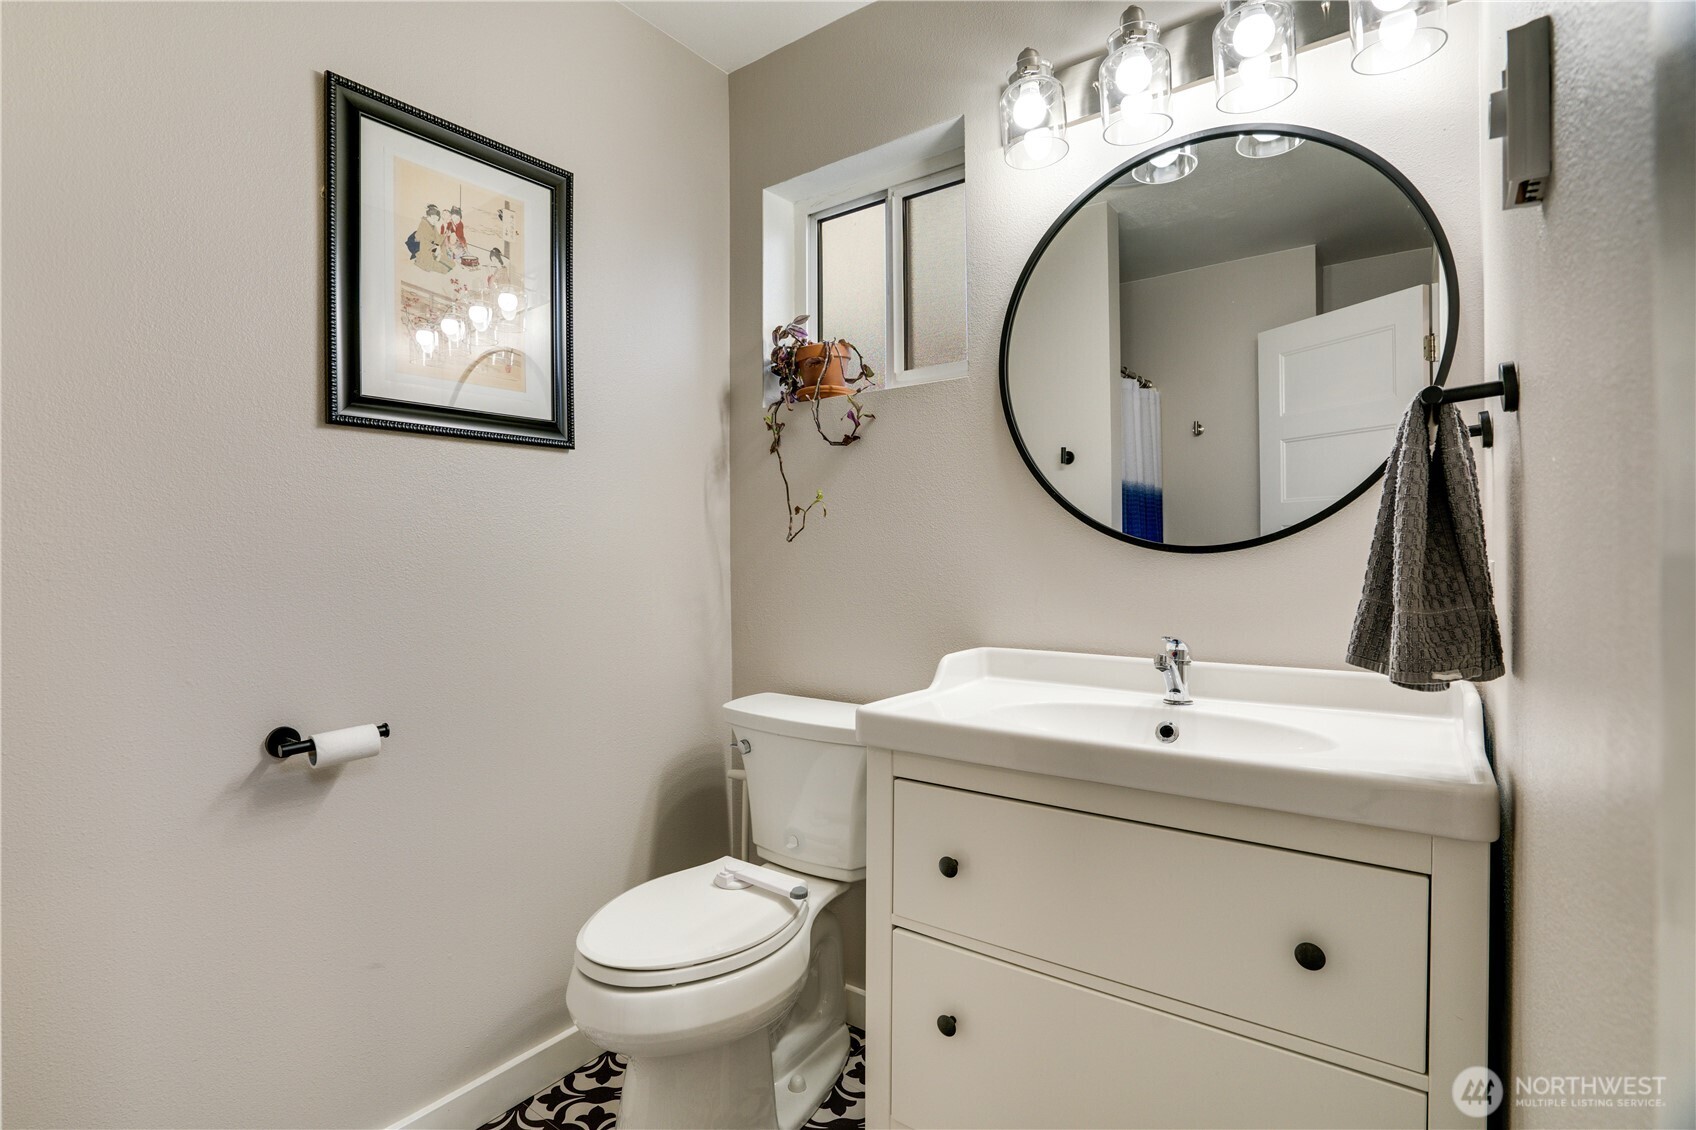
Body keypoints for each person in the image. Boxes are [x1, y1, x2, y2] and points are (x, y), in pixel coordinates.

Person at [410, 204, 454, 274]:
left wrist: (444, 235)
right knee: (443, 268)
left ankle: (438, 257)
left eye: (436, 220)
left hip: (431, 249)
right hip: (424, 251)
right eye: (434, 219)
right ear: (429, 216)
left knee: (450, 264)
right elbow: (425, 242)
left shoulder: (432, 225)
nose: (435, 221)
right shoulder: (423, 225)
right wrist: (436, 247)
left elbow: (437, 239)